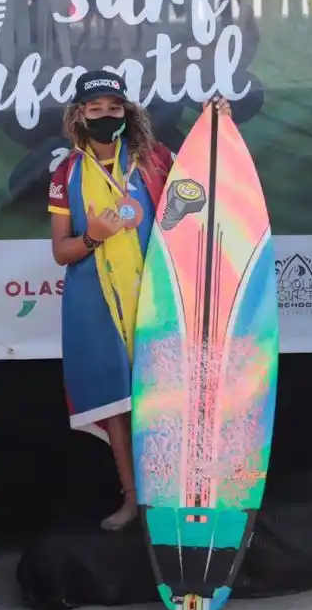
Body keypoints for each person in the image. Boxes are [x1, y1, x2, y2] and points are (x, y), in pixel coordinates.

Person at [48, 71, 231, 530]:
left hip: (158, 295)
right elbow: (61, 251)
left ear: (127, 112)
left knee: (169, 398)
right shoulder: (67, 173)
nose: (105, 116)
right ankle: (133, 501)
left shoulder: (154, 161)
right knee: (116, 403)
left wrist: (219, 128)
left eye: (114, 107)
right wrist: (95, 234)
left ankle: (178, 494)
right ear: (79, 116)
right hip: (98, 302)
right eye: (95, 109)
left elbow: (202, 187)